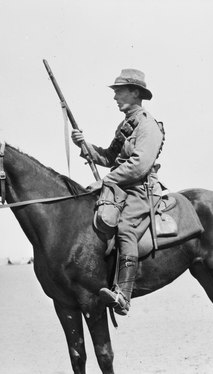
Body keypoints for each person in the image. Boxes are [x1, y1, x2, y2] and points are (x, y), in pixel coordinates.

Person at [71, 68, 165, 315]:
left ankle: (123, 294)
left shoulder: (148, 125)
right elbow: (109, 157)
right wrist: (85, 145)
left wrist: (106, 181)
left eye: (120, 91)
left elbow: (139, 166)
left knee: (124, 228)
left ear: (135, 93)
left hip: (140, 189)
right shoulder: (126, 125)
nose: (115, 97)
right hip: (120, 187)